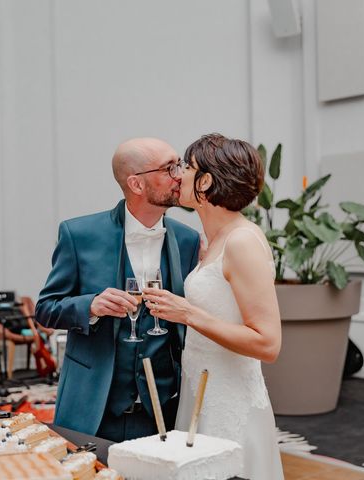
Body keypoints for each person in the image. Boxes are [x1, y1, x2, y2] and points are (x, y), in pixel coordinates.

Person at [35, 138, 200, 442]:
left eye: (179, 164)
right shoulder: (79, 234)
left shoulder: (188, 240)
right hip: (94, 407)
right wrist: (91, 306)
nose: (180, 175)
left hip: (164, 411)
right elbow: (46, 308)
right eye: (169, 168)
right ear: (137, 184)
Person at [143, 133, 284, 479]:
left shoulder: (242, 242)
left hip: (229, 401)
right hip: (200, 390)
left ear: (205, 181)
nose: (178, 175)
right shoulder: (215, 241)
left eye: (186, 168)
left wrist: (188, 313)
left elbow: (268, 343)